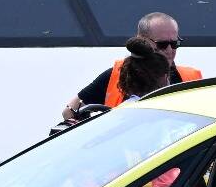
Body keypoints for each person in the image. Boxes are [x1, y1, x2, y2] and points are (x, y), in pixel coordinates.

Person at [61, 13, 202, 124]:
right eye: (162, 44)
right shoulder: (115, 74)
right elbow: (69, 112)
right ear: (141, 40)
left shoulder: (191, 78)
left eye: (175, 43)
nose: (170, 50)